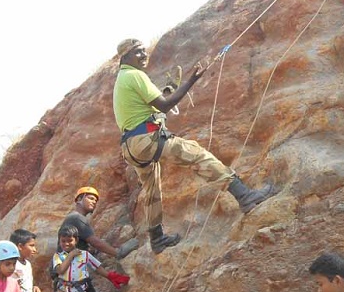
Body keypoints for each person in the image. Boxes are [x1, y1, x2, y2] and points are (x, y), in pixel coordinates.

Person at [112, 38, 274, 254]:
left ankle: (157, 239)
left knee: (151, 190)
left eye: (144, 51)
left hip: (132, 147)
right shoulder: (135, 75)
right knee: (196, 154)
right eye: (138, 52)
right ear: (126, 56)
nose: (144, 55)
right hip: (146, 140)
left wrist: (169, 89)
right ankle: (245, 195)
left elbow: (151, 107)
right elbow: (165, 105)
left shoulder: (122, 80)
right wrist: (192, 80)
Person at [58, 186, 139, 292]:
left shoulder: (76, 220)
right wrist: (118, 252)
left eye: (95, 200)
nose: (93, 202)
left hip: (76, 273)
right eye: (90, 198)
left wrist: (109, 275)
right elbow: (95, 242)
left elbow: (85, 253)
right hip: (68, 276)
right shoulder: (76, 218)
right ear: (78, 199)